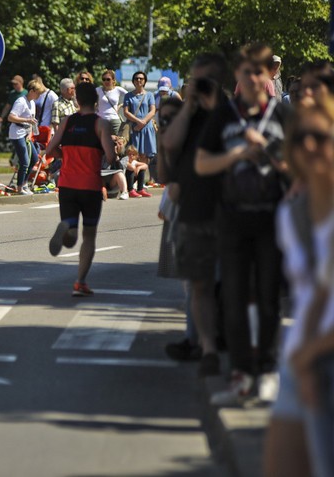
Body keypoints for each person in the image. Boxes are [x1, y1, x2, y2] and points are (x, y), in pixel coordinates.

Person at [196, 44, 290, 404]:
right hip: (232, 219)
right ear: (237, 76)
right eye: (247, 72)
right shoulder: (224, 115)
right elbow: (203, 164)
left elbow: (297, 169)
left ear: (269, 77)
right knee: (233, 300)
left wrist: (263, 149)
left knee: (268, 298)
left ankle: (266, 371)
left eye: (260, 72)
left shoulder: (281, 116)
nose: (253, 78)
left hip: (270, 218)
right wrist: (237, 152)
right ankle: (240, 374)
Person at [263, 100, 334, 477]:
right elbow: (319, 291)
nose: (309, 146)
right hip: (303, 359)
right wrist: (302, 360)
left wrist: (310, 357)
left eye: (320, 136)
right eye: (300, 138)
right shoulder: (291, 214)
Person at [161, 53, 228, 374]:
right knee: (199, 284)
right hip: (194, 211)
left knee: (227, 284)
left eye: (204, 79)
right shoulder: (189, 115)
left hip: (228, 213)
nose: (197, 85)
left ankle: (225, 342)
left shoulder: (230, 113)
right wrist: (188, 105)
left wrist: (215, 103)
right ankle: (208, 348)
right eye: (194, 79)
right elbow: (170, 144)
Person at [45, 82, 117, 296]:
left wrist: (65, 155)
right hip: (90, 186)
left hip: (67, 184)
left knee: (71, 235)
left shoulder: (67, 121)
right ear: (96, 102)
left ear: (77, 101)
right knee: (89, 236)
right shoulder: (100, 124)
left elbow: (50, 149)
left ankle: (66, 227)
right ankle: (80, 281)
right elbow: (111, 157)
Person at [7, 79, 43, 195]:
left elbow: (32, 121)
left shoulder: (32, 102)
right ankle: (19, 188)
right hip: (17, 134)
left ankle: (24, 183)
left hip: (25, 134)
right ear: (32, 91)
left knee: (34, 159)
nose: (39, 96)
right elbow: (11, 117)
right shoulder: (21, 102)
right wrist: (26, 120)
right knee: (25, 161)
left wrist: (30, 133)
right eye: (38, 93)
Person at [124, 71, 157, 189]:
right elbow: (126, 112)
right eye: (137, 78)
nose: (139, 80)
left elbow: (152, 110)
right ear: (133, 81)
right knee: (134, 154)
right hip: (135, 127)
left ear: (145, 81)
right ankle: (133, 181)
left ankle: (141, 182)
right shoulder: (128, 95)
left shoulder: (149, 95)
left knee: (144, 155)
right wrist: (138, 121)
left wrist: (143, 122)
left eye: (141, 79)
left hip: (146, 127)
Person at [96, 69, 128, 137]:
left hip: (114, 119)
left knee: (118, 141)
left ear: (113, 80)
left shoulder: (118, 89)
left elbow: (131, 97)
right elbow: (88, 99)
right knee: (100, 140)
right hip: (101, 119)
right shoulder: (98, 90)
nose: (106, 81)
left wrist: (121, 105)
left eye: (108, 79)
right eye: (103, 79)